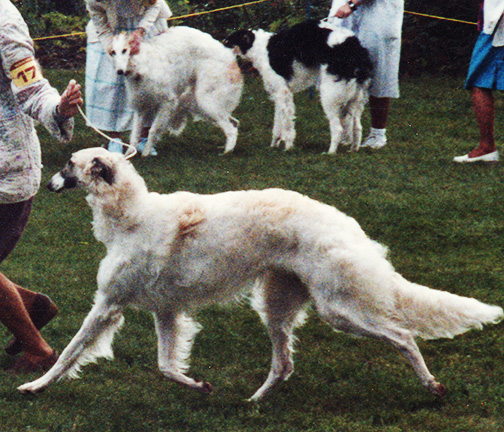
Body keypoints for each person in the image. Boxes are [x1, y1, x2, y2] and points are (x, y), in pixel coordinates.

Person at [0, 0, 82, 372]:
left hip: (6, 170)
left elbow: (31, 88)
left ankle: (41, 353)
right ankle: (32, 306)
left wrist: (60, 108)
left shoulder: (2, 18)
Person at [85, 0, 172, 155]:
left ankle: (144, 137)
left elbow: (154, 4)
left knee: (148, 81)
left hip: (143, 25)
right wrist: (113, 51)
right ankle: (114, 139)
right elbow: (101, 26)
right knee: (110, 83)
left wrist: (140, 32)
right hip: (111, 30)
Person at [328, 0, 404, 149]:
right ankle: (346, 132)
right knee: (343, 73)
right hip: (347, 15)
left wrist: (351, 5)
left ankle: (377, 134)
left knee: (379, 73)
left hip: (379, 15)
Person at [454, 0, 504, 163]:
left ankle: (487, 147)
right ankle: (486, 147)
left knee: (479, 82)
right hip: (494, 21)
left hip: (498, 24)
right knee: (479, 83)